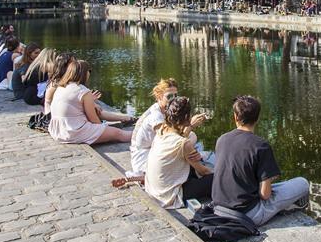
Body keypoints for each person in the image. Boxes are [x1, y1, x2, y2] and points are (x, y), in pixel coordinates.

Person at [212, 95, 309, 227]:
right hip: (247, 214)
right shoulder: (261, 145)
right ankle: (291, 209)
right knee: (302, 183)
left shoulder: (221, 139)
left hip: (219, 208)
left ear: (236, 117)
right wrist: (266, 179)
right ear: (257, 118)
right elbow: (265, 195)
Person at [128, 79, 207, 178]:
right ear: (159, 97)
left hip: (156, 150)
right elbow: (168, 141)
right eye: (169, 96)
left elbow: (174, 135)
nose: (173, 99)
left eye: (175, 96)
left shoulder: (166, 109)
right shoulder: (155, 116)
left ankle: (191, 157)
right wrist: (190, 125)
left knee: (192, 136)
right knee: (187, 139)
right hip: (144, 158)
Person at [144, 97, 214, 208]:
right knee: (214, 180)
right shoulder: (183, 143)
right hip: (171, 194)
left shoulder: (162, 130)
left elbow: (176, 143)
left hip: (154, 189)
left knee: (192, 165)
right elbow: (204, 172)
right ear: (187, 117)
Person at [48, 59, 132, 145]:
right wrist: (103, 129)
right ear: (85, 73)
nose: (89, 74)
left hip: (58, 131)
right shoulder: (82, 91)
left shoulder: (61, 87)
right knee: (118, 133)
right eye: (89, 71)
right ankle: (143, 135)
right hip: (73, 132)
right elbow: (93, 119)